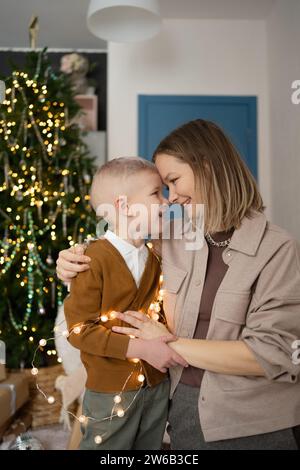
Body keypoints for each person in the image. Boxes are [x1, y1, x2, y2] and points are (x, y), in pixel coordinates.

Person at [57, 120, 300, 450]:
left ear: (208, 168)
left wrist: (167, 344)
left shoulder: (278, 249)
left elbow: (272, 354)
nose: (170, 199)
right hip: (178, 411)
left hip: (252, 423)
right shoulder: (169, 239)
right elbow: (119, 246)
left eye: (172, 182)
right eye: (161, 190)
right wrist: (73, 259)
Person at [64, 157, 187, 450]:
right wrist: (143, 349)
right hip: (111, 391)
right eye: (156, 193)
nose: (167, 200)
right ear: (125, 206)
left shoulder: (156, 256)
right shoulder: (91, 260)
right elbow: (80, 330)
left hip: (156, 386)